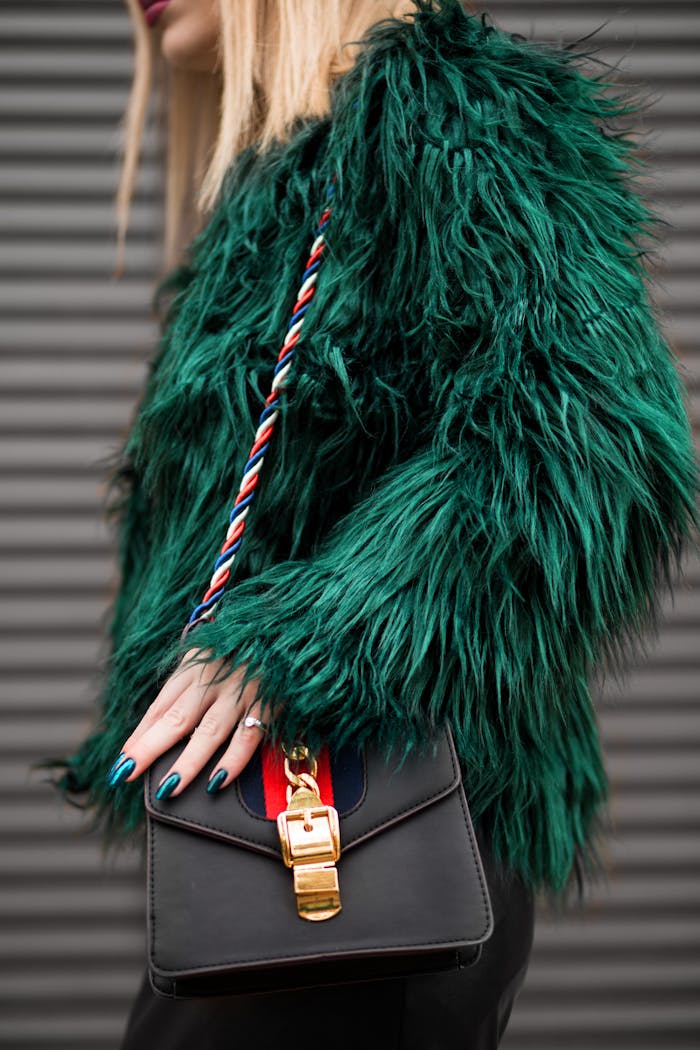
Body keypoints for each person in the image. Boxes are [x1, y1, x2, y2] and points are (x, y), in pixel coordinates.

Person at [36, 0, 698, 1047]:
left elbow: (587, 440)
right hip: (315, 857)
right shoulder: (292, 183)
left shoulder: (451, 107)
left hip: (366, 851)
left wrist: (299, 641)